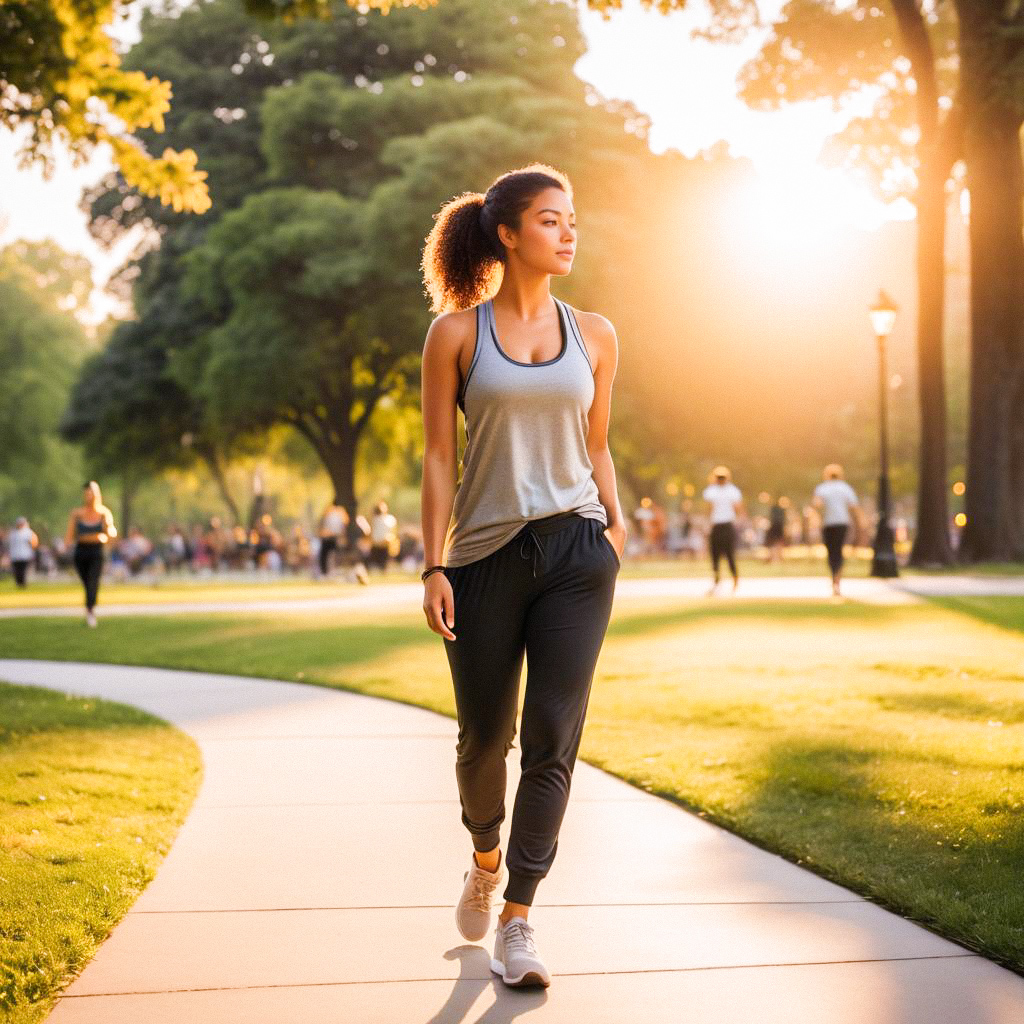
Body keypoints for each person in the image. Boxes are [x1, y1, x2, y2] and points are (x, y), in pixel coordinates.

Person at [419, 164, 625, 989]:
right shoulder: (457, 335)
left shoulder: (597, 334)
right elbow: (439, 456)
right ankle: (484, 856)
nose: (568, 232)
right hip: (483, 560)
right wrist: (433, 562)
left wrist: (613, 527)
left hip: (577, 552)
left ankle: (520, 919)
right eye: (550, 220)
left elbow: (599, 442)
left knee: (553, 741)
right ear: (507, 234)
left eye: (572, 219)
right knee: (482, 742)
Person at [63, 481, 117, 626]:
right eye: (87, 493)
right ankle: (90, 606)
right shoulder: (77, 514)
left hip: (96, 550)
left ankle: (90, 611)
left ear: (97, 494)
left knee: (93, 580)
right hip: (81, 550)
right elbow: (70, 533)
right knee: (86, 581)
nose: (89, 496)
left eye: (92, 493)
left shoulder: (103, 513)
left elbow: (110, 531)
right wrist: (66, 544)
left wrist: (110, 536)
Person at [813, 464, 865, 596]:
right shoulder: (845, 488)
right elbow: (854, 506)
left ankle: (834, 577)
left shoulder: (823, 488)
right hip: (842, 523)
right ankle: (837, 579)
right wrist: (861, 521)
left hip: (828, 523)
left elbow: (817, 505)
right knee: (839, 550)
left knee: (831, 551)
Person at [702, 466, 744, 593]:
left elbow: (737, 508)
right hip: (717, 525)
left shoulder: (731, 491)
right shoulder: (712, 491)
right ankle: (717, 579)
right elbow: (709, 508)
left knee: (729, 554)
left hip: (726, 524)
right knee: (715, 554)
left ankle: (734, 578)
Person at [317, 497, 347, 578]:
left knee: (327, 555)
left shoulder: (329, 510)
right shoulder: (340, 512)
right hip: (332, 536)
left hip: (329, 536)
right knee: (330, 555)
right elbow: (344, 525)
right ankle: (329, 572)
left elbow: (322, 522)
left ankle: (327, 572)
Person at [368, 500, 398, 573]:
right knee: (374, 565)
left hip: (386, 544)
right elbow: (371, 532)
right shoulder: (374, 519)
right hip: (376, 544)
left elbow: (394, 532)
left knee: (384, 565)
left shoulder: (390, 519)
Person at [8, 516, 39, 587]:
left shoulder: (28, 532)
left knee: (23, 570)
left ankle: (23, 583)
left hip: (25, 555)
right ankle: (18, 583)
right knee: (17, 570)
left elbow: (34, 543)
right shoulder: (13, 533)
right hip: (15, 555)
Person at [764, 496, 789, 564]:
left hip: (777, 527)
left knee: (776, 543)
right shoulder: (778, 509)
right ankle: (775, 558)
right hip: (776, 527)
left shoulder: (776, 509)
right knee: (776, 543)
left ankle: (776, 558)